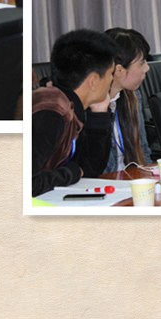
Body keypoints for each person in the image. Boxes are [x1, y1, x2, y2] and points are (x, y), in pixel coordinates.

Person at [31, 29, 118, 196]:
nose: (112, 80)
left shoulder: (72, 107)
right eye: (110, 74)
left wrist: (99, 115)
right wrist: (71, 173)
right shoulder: (51, 112)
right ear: (93, 81)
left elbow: (90, 170)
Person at [99, 28, 152, 173]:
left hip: (132, 179)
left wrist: (150, 177)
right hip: (104, 183)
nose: (147, 68)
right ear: (119, 70)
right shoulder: (90, 106)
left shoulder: (133, 97)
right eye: (142, 63)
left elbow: (143, 150)